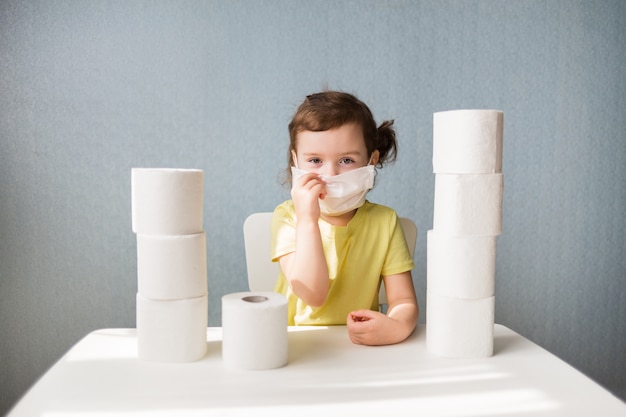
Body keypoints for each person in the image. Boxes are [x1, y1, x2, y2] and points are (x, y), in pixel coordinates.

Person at [271, 91, 418, 346]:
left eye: (346, 160)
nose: (330, 174)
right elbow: (313, 294)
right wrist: (307, 219)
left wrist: (396, 325)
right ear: (296, 160)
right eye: (315, 160)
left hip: (358, 348)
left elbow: (404, 302)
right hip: (295, 346)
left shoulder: (385, 222)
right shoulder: (288, 218)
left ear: (371, 160)